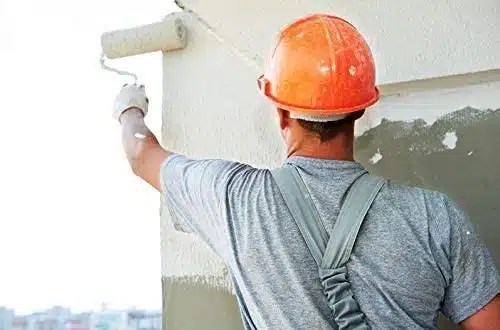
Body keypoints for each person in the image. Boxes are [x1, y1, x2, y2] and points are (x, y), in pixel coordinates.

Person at [111, 14, 500, 330]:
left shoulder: (235, 200)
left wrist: (130, 108)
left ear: (281, 111)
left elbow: (141, 154)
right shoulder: (435, 217)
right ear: (361, 109)